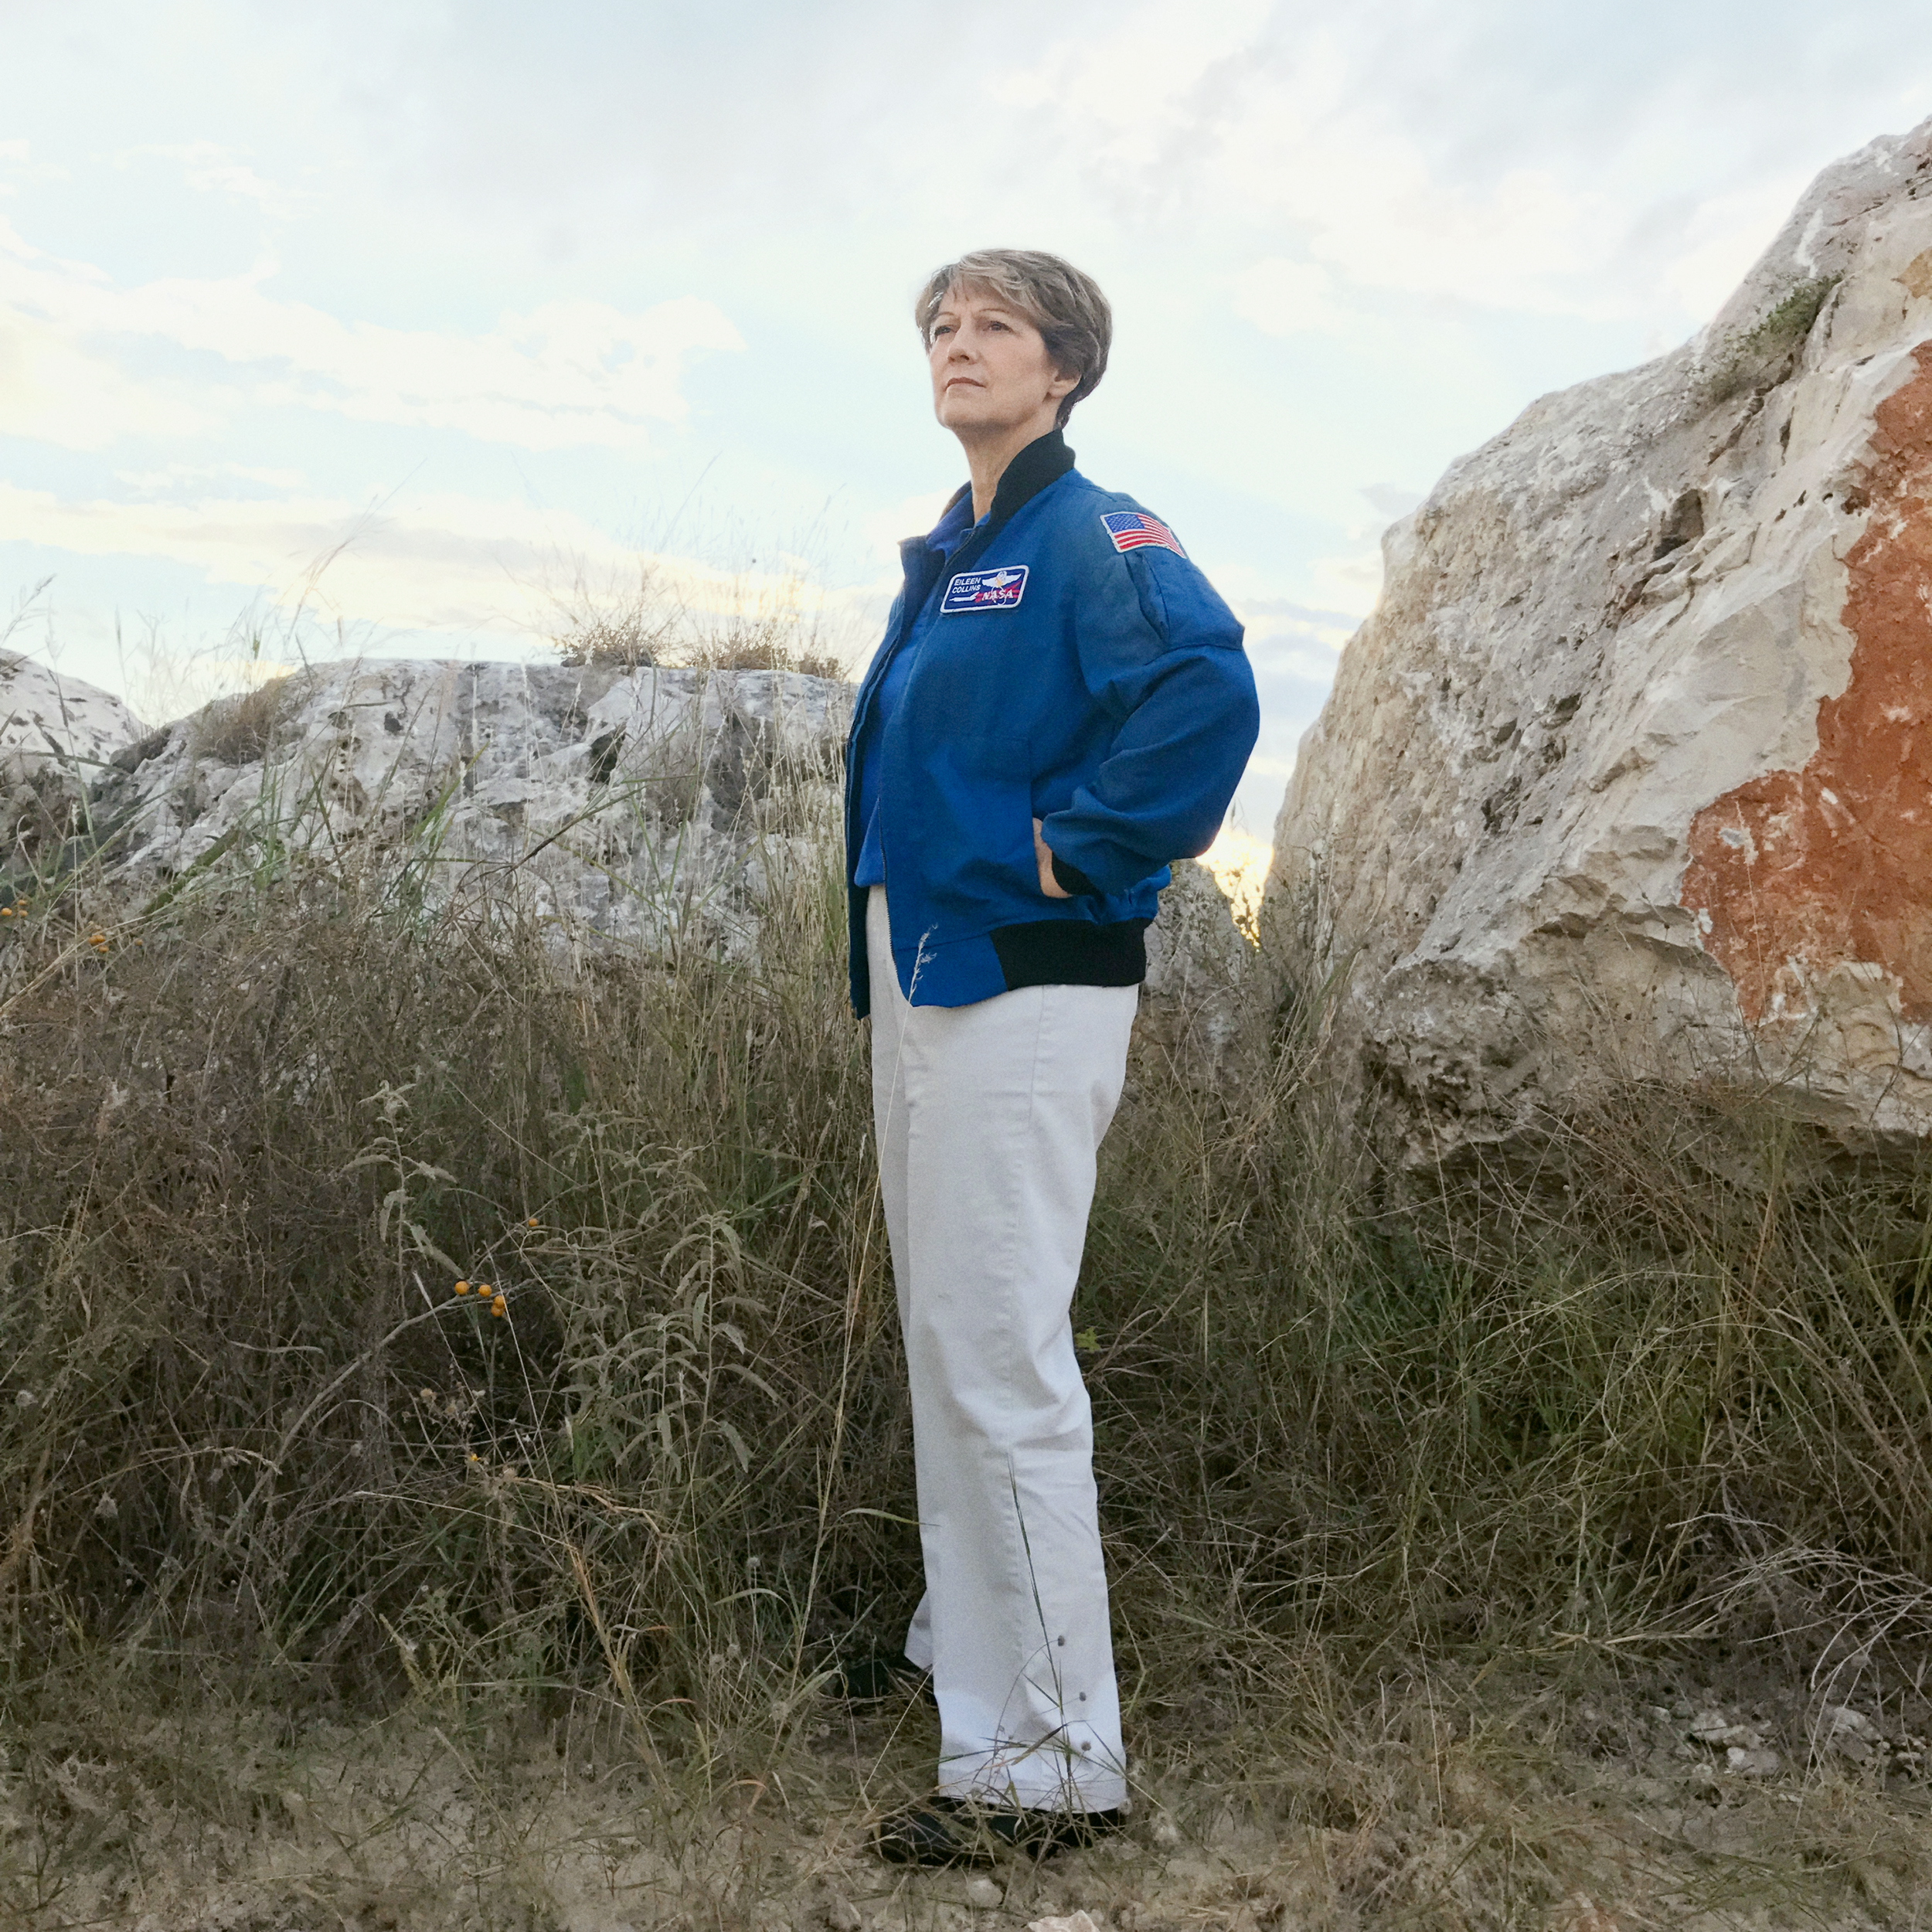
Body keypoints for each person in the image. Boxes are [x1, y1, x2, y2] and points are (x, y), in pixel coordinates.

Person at [845, 248, 1259, 1867]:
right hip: (929, 978)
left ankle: (1042, 1765)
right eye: (940, 325)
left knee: (996, 1344)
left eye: (993, 326)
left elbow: (1202, 690)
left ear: (1064, 366)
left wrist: (1063, 849)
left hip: (1023, 976)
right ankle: (970, 1653)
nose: (957, 343)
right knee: (948, 1323)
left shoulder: (1095, 532)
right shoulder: (956, 553)